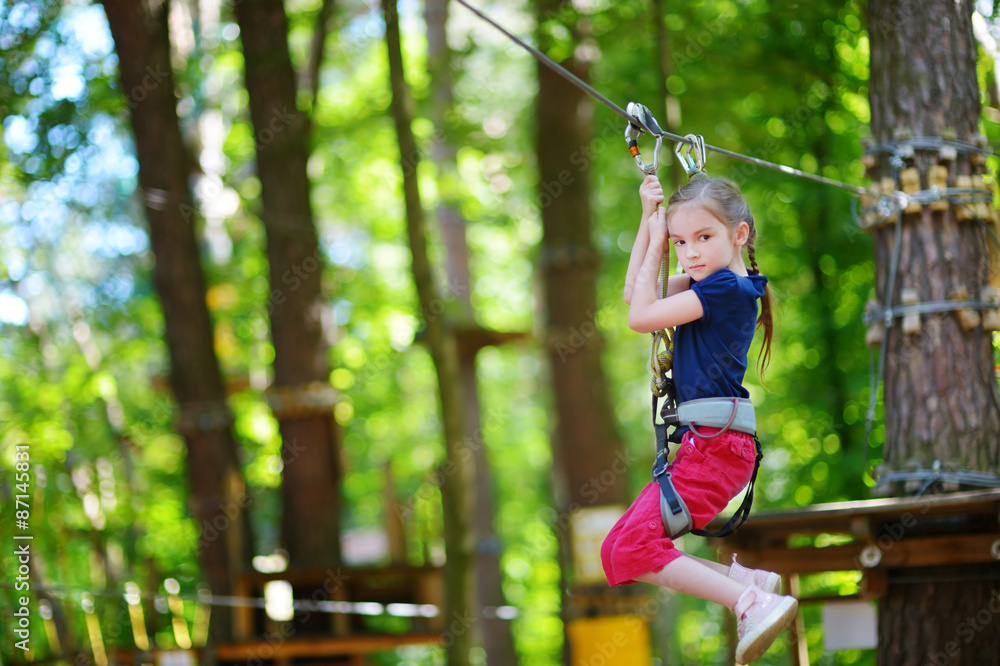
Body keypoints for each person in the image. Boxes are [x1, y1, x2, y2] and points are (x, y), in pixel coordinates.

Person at [601, 174, 796, 664]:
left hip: (716, 447)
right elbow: (634, 294)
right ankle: (743, 584)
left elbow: (640, 315)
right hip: (706, 445)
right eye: (680, 242)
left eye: (702, 238)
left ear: (740, 234)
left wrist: (658, 232)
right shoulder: (706, 283)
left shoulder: (726, 290)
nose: (689, 252)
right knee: (616, 551)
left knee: (631, 550)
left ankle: (752, 601)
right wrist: (650, 223)